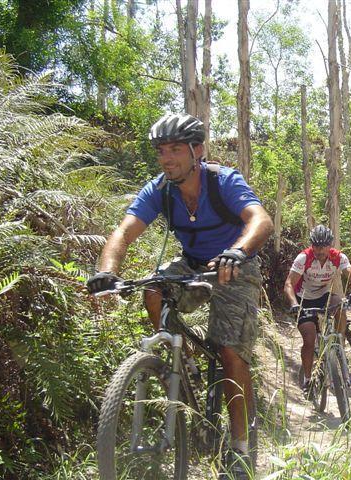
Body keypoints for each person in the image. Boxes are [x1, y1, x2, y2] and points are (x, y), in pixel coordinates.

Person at [86, 113, 273, 479]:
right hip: (191, 263)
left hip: (234, 265)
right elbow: (124, 232)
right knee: (153, 290)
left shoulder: (223, 181)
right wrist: (106, 271)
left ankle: (240, 450)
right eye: (160, 151)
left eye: (174, 149)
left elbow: (260, 220)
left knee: (232, 353)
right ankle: (181, 358)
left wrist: (238, 251)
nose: (166, 158)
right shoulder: (160, 190)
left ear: (197, 150)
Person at [283, 225, 351, 397]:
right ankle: (308, 380)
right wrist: (294, 304)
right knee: (309, 339)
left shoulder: (338, 257)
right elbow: (289, 284)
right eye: (316, 246)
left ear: (329, 245)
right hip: (303, 299)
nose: (319, 250)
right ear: (311, 245)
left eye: (323, 246)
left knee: (340, 304)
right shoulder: (303, 258)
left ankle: (337, 345)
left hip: (324, 295)